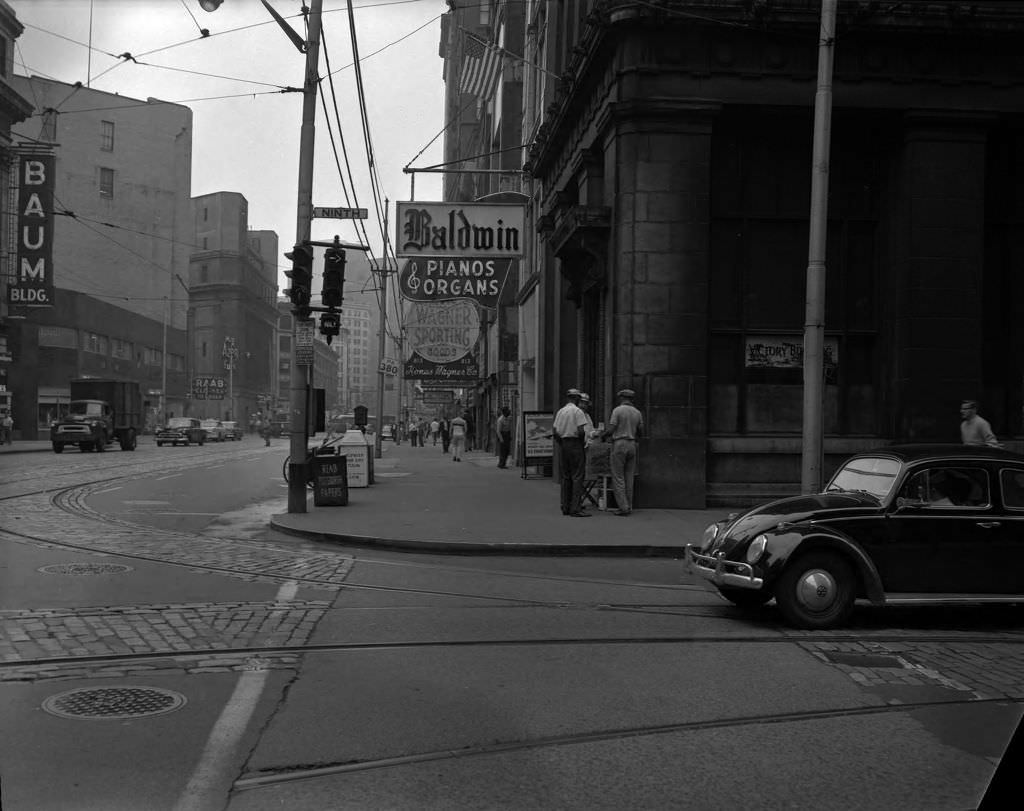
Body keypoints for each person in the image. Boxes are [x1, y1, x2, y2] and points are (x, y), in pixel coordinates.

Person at [602, 388, 644, 516]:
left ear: (621, 398)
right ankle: (629, 505)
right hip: (632, 444)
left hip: (619, 443)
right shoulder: (637, 413)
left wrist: (604, 435)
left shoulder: (618, 410)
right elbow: (641, 431)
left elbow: (612, 428)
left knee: (618, 476)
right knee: (629, 476)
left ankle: (623, 507)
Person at [553, 388, 590, 517]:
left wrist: (562, 443)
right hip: (575, 444)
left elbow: (555, 431)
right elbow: (581, 431)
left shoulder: (560, 412)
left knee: (566, 476)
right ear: (576, 399)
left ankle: (565, 506)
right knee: (577, 476)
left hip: (563, 444)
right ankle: (575, 508)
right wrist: (580, 443)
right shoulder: (577, 411)